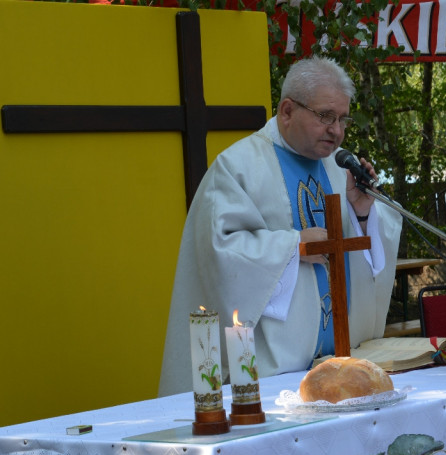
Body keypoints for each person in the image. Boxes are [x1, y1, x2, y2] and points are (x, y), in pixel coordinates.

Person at [159, 56, 402, 396]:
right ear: (287, 110)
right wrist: (293, 246)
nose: (337, 130)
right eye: (325, 117)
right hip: (273, 374)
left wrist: (362, 214)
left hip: (343, 367)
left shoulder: (339, 167)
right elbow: (220, 252)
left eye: (343, 119)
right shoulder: (238, 166)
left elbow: (367, 250)